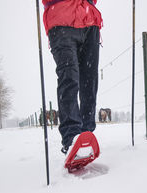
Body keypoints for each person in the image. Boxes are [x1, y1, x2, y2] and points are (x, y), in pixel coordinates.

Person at [42, 0, 103, 154]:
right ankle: (72, 137)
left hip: (90, 20)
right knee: (69, 77)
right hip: (61, 17)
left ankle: (86, 134)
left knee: (90, 81)